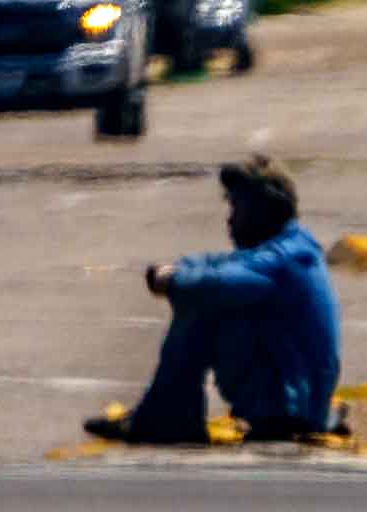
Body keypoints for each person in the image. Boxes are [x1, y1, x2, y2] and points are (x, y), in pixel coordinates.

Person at [84, 157, 344, 444]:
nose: (230, 219)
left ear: (262, 210)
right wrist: (182, 267)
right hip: (304, 399)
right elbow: (225, 262)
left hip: (289, 405)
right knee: (207, 294)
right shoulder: (296, 246)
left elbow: (218, 282)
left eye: (237, 207)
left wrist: (173, 280)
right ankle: (167, 412)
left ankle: (168, 416)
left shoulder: (279, 262)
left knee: (202, 304)